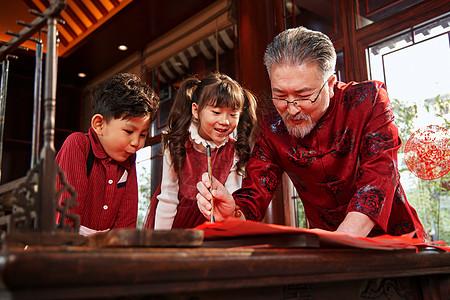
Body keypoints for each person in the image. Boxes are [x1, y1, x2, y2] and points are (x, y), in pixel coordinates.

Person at [196, 26, 427, 239]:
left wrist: (342, 238)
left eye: (304, 96)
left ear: (330, 84)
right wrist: (232, 213)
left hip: (393, 238)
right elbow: (256, 191)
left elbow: (378, 176)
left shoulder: (369, 100)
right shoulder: (273, 129)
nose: (292, 108)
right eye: (280, 95)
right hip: (327, 247)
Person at [143, 72, 257, 230]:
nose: (224, 121)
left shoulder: (234, 150)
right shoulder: (176, 143)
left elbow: (232, 196)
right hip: (177, 220)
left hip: (214, 222)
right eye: (216, 112)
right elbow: (168, 198)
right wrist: (162, 240)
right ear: (196, 111)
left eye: (233, 114)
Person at [56, 72, 159, 236]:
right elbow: (66, 212)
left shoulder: (128, 158)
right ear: (99, 124)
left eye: (142, 135)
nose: (136, 143)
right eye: (128, 131)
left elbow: (127, 219)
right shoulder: (78, 145)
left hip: (103, 246)